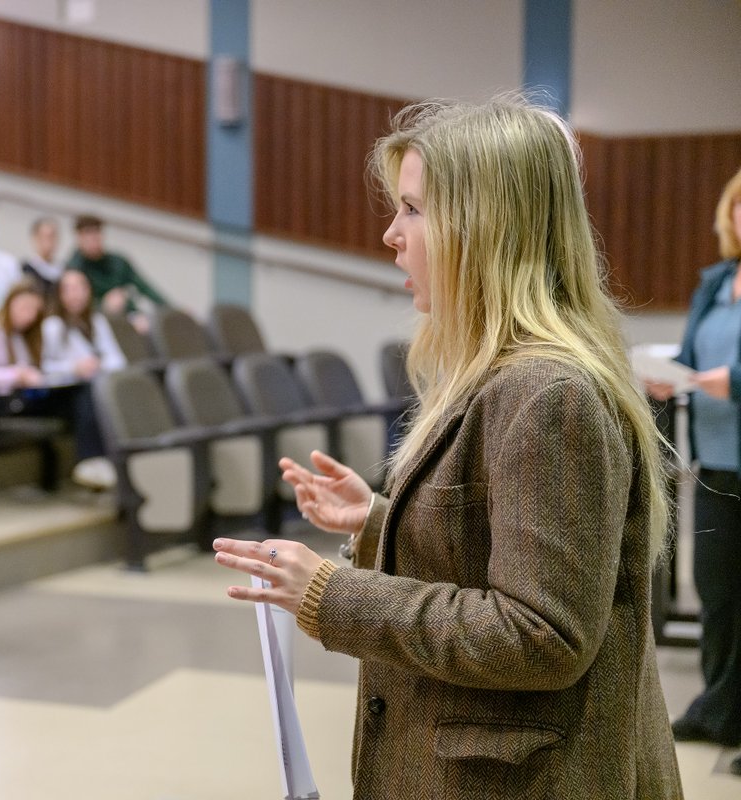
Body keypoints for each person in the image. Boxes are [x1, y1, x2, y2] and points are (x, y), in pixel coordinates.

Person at [213, 97, 681, 798]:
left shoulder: (548, 395)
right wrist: (382, 520)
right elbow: (503, 551)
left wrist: (333, 595)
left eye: (413, 209)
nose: (390, 235)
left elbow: (540, 633)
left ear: (485, 225)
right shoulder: (506, 375)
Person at [646, 167, 741, 774]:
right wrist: (670, 373)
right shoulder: (715, 282)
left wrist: (728, 382)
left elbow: (725, 374)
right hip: (716, 460)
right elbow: (690, 357)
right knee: (717, 590)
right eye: (739, 208)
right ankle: (718, 707)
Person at [0, 281, 114, 490]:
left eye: (34, 311)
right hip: (4, 401)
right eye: (24, 308)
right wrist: (16, 374)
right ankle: (92, 460)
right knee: (82, 400)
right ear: (9, 303)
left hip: (30, 396)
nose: (29, 315)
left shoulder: (25, 335)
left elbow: (40, 371)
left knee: (87, 393)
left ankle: (98, 461)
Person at [67, 214, 168, 319]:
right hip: (95, 319)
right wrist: (103, 305)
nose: (93, 238)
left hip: (128, 315)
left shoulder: (118, 262)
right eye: (88, 234)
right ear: (79, 238)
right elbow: (73, 302)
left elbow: (145, 287)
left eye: (96, 233)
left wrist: (171, 309)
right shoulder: (73, 269)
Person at [42, 269, 126, 380]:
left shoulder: (97, 320)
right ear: (59, 294)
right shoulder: (53, 325)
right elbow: (43, 366)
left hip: (97, 382)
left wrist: (99, 365)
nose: (75, 294)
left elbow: (118, 360)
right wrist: (73, 368)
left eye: (80, 288)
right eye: (68, 289)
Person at [21, 216, 64, 304]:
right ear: (35, 238)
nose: (48, 241)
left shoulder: (65, 271)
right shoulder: (25, 271)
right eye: (44, 236)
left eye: (52, 236)